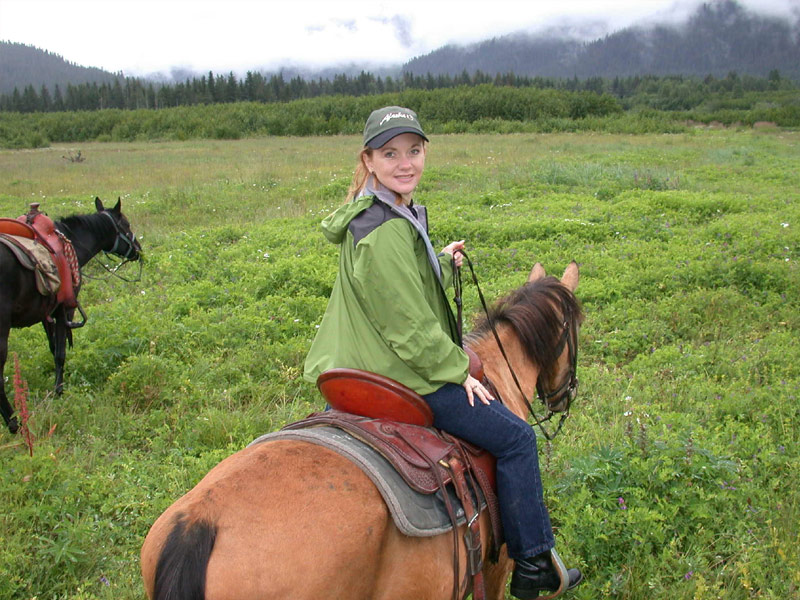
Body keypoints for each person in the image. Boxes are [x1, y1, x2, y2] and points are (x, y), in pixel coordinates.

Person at [303, 106, 582, 599]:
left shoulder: (383, 211)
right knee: (516, 438)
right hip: (395, 368)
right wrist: (458, 370)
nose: (404, 162)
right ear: (369, 159)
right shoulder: (386, 228)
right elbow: (409, 329)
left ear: (425, 153)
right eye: (390, 154)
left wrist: (437, 259)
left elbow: (397, 286)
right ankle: (535, 564)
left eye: (413, 151)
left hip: (353, 364)